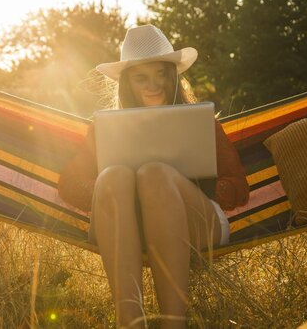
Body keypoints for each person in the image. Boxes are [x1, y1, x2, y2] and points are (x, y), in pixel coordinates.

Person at [57, 25, 250, 328]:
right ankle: (130, 323)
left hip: (198, 224)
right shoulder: (106, 129)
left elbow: (239, 188)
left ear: (173, 75)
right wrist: (119, 191)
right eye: (141, 77)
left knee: (155, 175)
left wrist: (195, 187)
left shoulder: (200, 122)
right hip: (127, 230)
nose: (153, 85)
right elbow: (69, 185)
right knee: (114, 176)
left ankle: (174, 324)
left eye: (161, 73)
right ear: (127, 84)